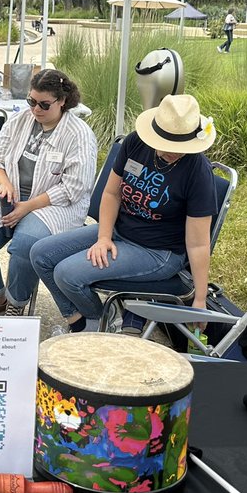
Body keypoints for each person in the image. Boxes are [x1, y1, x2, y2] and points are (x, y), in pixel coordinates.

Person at [31, 94, 217, 336]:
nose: (175, 152)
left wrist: (200, 300)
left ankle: (99, 327)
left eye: (181, 147)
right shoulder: (136, 143)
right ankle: (84, 323)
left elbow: (199, 243)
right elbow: (111, 194)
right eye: (169, 145)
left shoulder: (197, 171)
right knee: (40, 254)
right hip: (120, 232)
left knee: (66, 274)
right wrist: (104, 238)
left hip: (157, 252)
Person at [0, 69, 97, 317]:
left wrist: (28, 206)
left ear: (62, 101)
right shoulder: (20, 120)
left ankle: (16, 302)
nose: (36, 109)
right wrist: (4, 183)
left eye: (44, 104)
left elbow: (74, 188)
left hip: (56, 205)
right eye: (31, 101)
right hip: (13, 196)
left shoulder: (79, 135)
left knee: (26, 244)